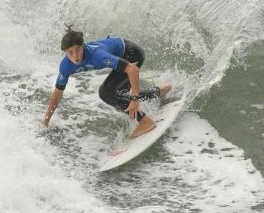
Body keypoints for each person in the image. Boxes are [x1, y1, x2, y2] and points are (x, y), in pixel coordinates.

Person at [43, 25, 171, 138]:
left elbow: (132, 70)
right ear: (64, 52)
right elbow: (58, 93)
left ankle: (145, 122)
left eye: (77, 49)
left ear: (83, 46)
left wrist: (135, 99)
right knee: (118, 94)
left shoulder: (96, 55)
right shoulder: (65, 66)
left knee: (106, 93)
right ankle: (158, 92)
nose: (75, 56)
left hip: (132, 54)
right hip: (122, 57)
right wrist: (46, 120)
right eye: (70, 52)